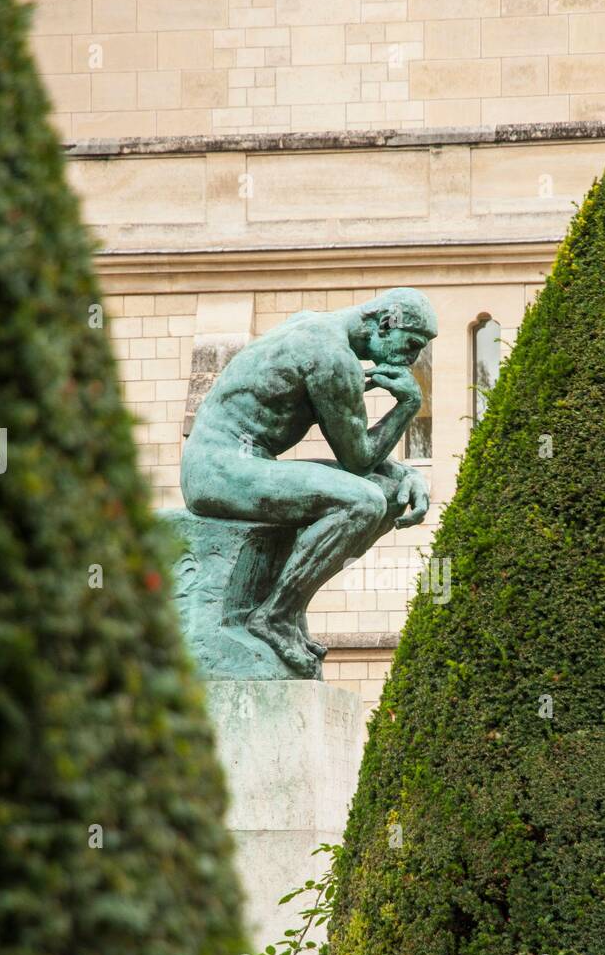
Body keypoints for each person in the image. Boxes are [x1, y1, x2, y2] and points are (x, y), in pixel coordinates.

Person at [181, 287, 437, 677]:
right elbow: (359, 460)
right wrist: (407, 406)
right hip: (219, 468)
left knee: (387, 493)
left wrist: (404, 473)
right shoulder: (332, 355)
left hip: (244, 462)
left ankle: (288, 607)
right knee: (362, 502)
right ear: (386, 322)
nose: (412, 359)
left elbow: (363, 462)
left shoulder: (315, 324)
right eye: (412, 344)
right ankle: (276, 616)